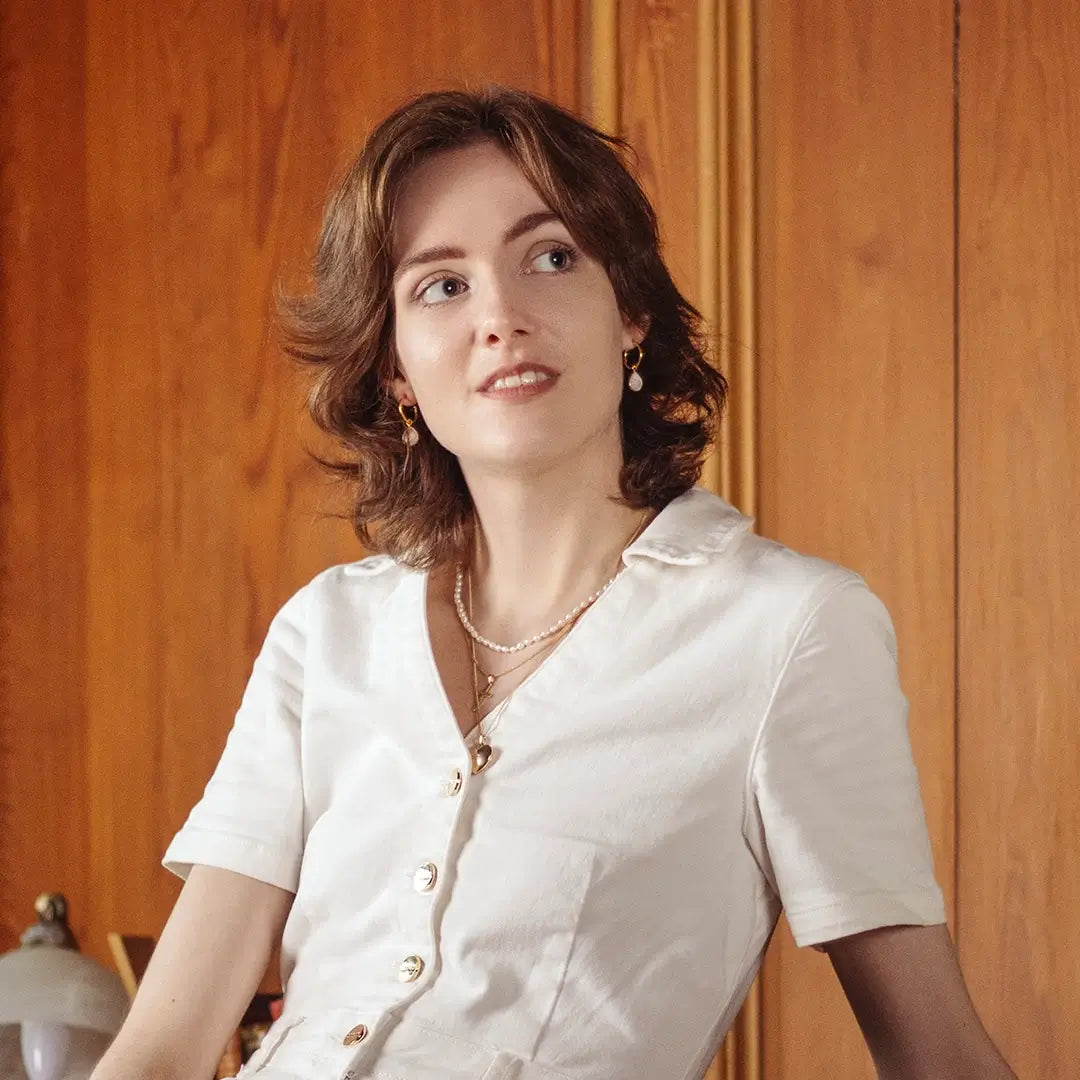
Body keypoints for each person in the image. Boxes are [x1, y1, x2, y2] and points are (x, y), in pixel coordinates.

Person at [90, 86, 1017, 1080]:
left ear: (631, 311)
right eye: (442, 285)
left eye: (551, 258)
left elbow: (940, 1056)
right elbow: (160, 1051)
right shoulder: (326, 633)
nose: (501, 317)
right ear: (396, 369)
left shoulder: (788, 629)